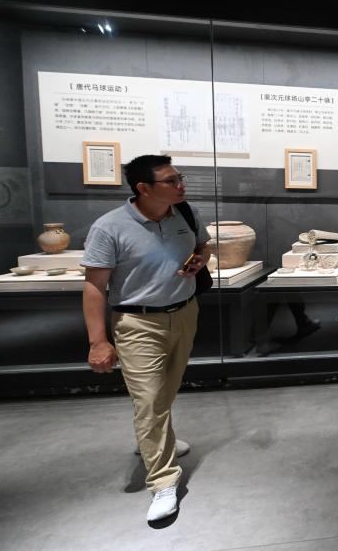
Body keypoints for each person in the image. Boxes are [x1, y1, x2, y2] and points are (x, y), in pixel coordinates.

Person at [82, 154, 210, 522]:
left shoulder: (185, 213)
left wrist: (200, 259)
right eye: (171, 181)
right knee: (150, 401)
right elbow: (94, 286)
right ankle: (164, 482)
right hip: (138, 323)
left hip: (184, 313)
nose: (181, 185)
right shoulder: (110, 227)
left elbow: (204, 245)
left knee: (165, 391)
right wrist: (98, 341)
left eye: (180, 177)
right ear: (144, 188)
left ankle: (155, 440)